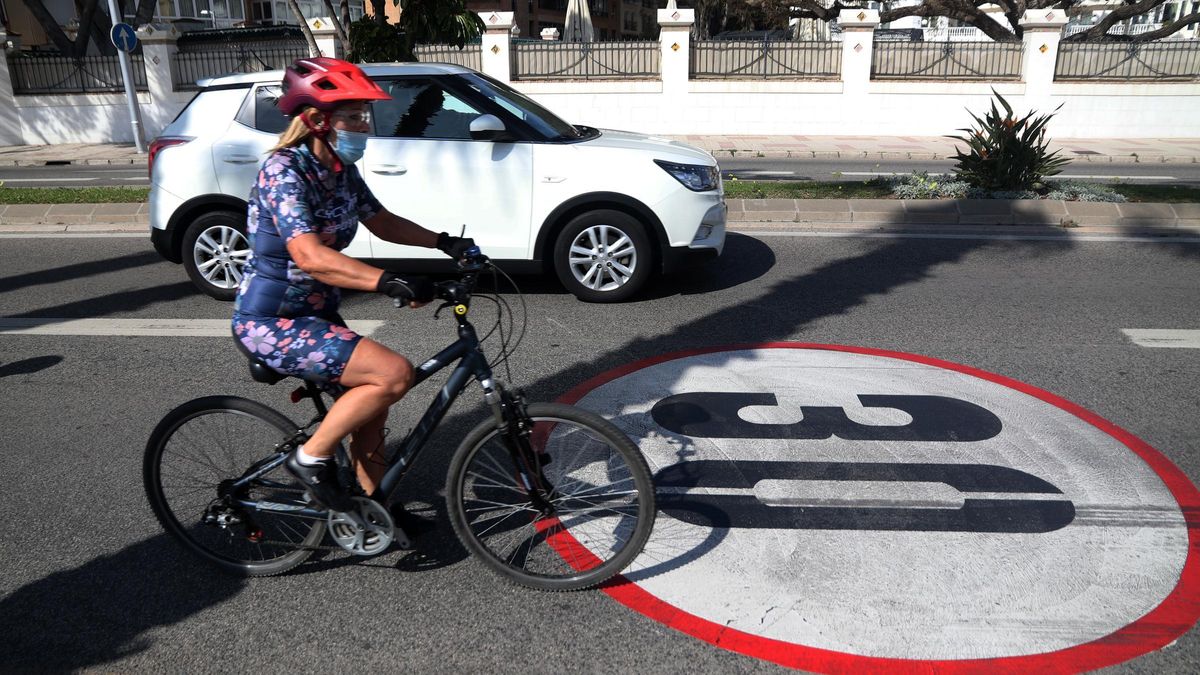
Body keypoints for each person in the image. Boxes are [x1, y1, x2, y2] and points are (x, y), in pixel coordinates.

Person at [231, 57, 475, 513]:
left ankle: (371, 507)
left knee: (374, 402)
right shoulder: (284, 172)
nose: (363, 125)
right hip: (270, 321)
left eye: (365, 114)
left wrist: (447, 243)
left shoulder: (341, 171)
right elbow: (309, 255)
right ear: (317, 120)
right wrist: (389, 281)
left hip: (317, 314)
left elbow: (381, 221)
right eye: (353, 115)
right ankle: (309, 458)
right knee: (393, 374)